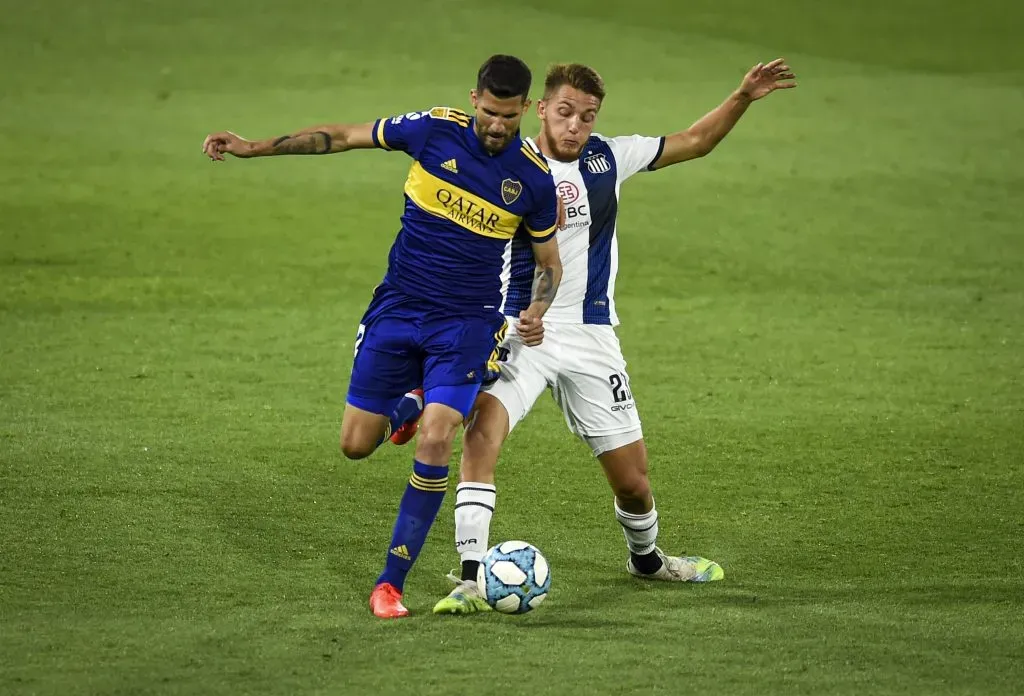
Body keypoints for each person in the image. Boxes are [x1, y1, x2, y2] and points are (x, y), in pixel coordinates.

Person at [201, 55, 563, 619]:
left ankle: (390, 583)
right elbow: (342, 136)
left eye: (510, 118)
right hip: (398, 308)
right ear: (475, 100)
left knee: (439, 439)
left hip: (466, 322)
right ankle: (411, 402)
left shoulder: (533, 179)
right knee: (355, 444)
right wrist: (254, 147)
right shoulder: (431, 131)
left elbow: (548, 262)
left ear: (523, 109)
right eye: (491, 113)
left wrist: (537, 307)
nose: (498, 126)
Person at [433, 59, 797, 614]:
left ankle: (647, 560)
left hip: (591, 335)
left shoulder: (608, 158)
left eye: (587, 115)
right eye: (564, 113)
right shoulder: (505, 165)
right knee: (483, 436)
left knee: (633, 481)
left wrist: (743, 96)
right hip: (520, 331)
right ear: (540, 110)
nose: (575, 125)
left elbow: (695, 141)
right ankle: (467, 578)